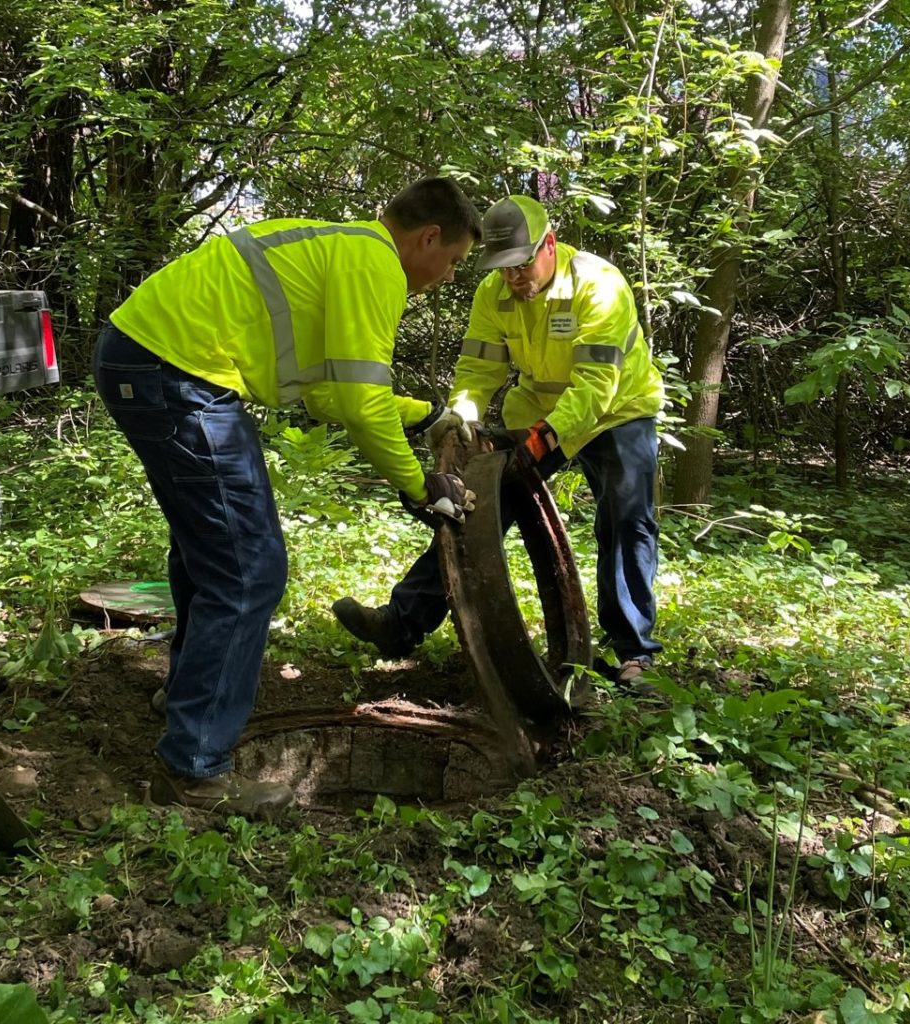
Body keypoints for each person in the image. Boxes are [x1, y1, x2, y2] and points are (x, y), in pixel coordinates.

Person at [93, 177, 482, 818]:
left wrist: (425, 413)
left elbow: (333, 393)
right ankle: (193, 771)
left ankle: (190, 693)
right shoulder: (375, 263)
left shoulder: (346, 250)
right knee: (249, 569)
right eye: (455, 262)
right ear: (429, 237)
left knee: (209, 549)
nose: (446, 276)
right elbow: (357, 404)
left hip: (144, 357)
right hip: (178, 373)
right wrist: (421, 488)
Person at [332, 195, 664, 687]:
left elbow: (597, 383)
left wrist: (546, 438)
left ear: (549, 245)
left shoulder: (599, 284)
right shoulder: (493, 293)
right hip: (535, 412)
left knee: (626, 521)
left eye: (523, 265)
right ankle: (401, 624)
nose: (514, 278)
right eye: (504, 268)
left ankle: (635, 652)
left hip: (617, 412)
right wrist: (461, 419)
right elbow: (478, 370)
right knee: (475, 508)